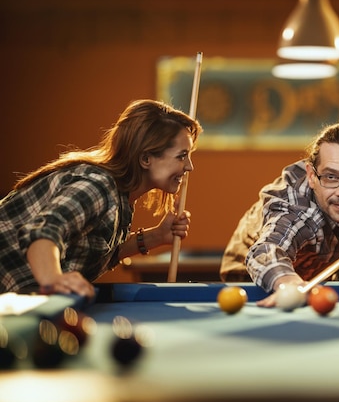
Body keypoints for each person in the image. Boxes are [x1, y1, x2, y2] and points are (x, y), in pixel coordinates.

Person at [0, 99, 202, 297]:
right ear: (146, 158)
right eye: (182, 155)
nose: (189, 166)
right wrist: (53, 280)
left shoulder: (120, 196)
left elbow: (96, 251)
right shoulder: (98, 186)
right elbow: (43, 230)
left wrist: (156, 236)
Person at [221, 108, 339, 307]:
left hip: (313, 271)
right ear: (312, 176)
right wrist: (287, 281)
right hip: (249, 277)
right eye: (331, 177)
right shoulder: (299, 213)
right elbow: (266, 250)